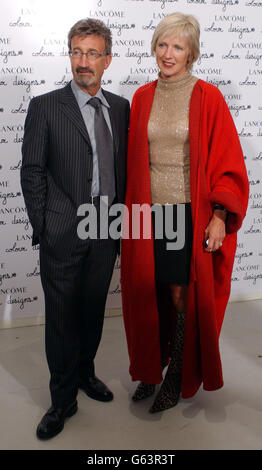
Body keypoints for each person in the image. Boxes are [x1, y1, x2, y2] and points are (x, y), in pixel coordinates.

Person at [121, 12, 249, 413]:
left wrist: (217, 216)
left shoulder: (208, 96)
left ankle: (178, 372)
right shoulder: (142, 96)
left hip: (186, 214)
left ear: (191, 52)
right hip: (146, 213)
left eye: (177, 46)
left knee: (179, 293)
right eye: (162, 44)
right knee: (148, 290)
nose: (168, 53)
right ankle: (151, 367)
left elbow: (228, 161)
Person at [21, 18, 130, 439]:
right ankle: (61, 400)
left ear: (107, 60)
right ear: (70, 55)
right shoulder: (45, 107)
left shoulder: (120, 108)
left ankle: (86, 374)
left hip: (107, 229)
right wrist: (46, 226)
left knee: (92, 314)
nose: (83, 62)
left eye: (92, 53)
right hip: (63, 234)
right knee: (62, 321)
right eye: (77, 52)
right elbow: (32, 171)